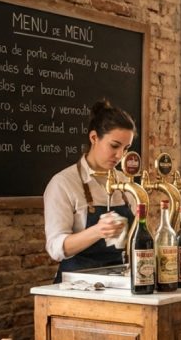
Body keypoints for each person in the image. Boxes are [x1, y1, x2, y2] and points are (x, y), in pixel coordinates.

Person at [44, 99, 137, 282]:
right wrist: (98, 231)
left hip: (118, 282)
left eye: (126, 149)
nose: (120, 156)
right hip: (77, 286)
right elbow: (55, 248)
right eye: (114, 146)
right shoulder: (63, 183)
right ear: (94, 138)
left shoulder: (125, 183)